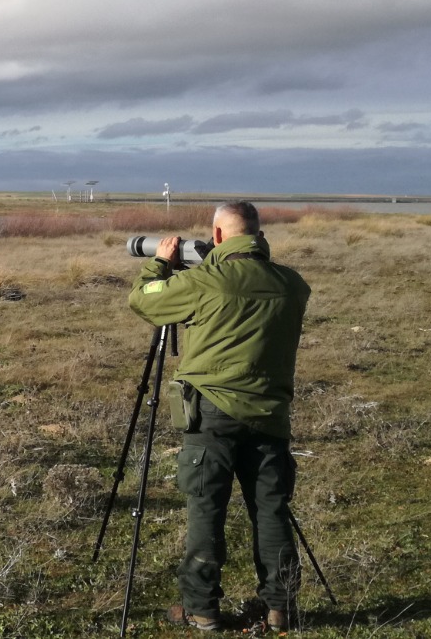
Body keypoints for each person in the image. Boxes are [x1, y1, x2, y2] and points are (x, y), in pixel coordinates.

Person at [127, 201, 311, 633]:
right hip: (269, 414)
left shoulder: (206, 280)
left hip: (211, 411)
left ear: (219, 235)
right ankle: (281, 608)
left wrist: (158, 266)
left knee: (206, 509)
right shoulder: (293, 284)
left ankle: (202, 608)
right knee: (271, 510)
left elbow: (144, 302)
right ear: (259, 235)